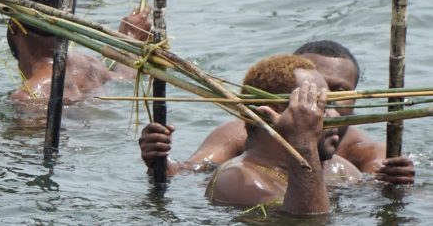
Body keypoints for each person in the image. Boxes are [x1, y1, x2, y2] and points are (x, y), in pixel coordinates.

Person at [138, 40, 415, 184]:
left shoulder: (365, 151)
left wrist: (396, 184)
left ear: (354, 98)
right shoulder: (245, 131)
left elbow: (375, 194)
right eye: (314, 86)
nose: (324, 98)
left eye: (338, 90)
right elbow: (186, 173)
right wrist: (159, 160)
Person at [205, 55, 361, 214]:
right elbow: (308, 222)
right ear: (274, 111)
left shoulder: (337, 169)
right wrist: (303, 142)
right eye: (320, 106)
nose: (335, 115)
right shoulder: (237, 178)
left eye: (331, 104)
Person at [6, 0, 150, 103]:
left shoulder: (29, 97)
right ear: (72, 26)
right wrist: (130, 42)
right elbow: (124, 78)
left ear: (14, 25)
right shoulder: (89, 66)